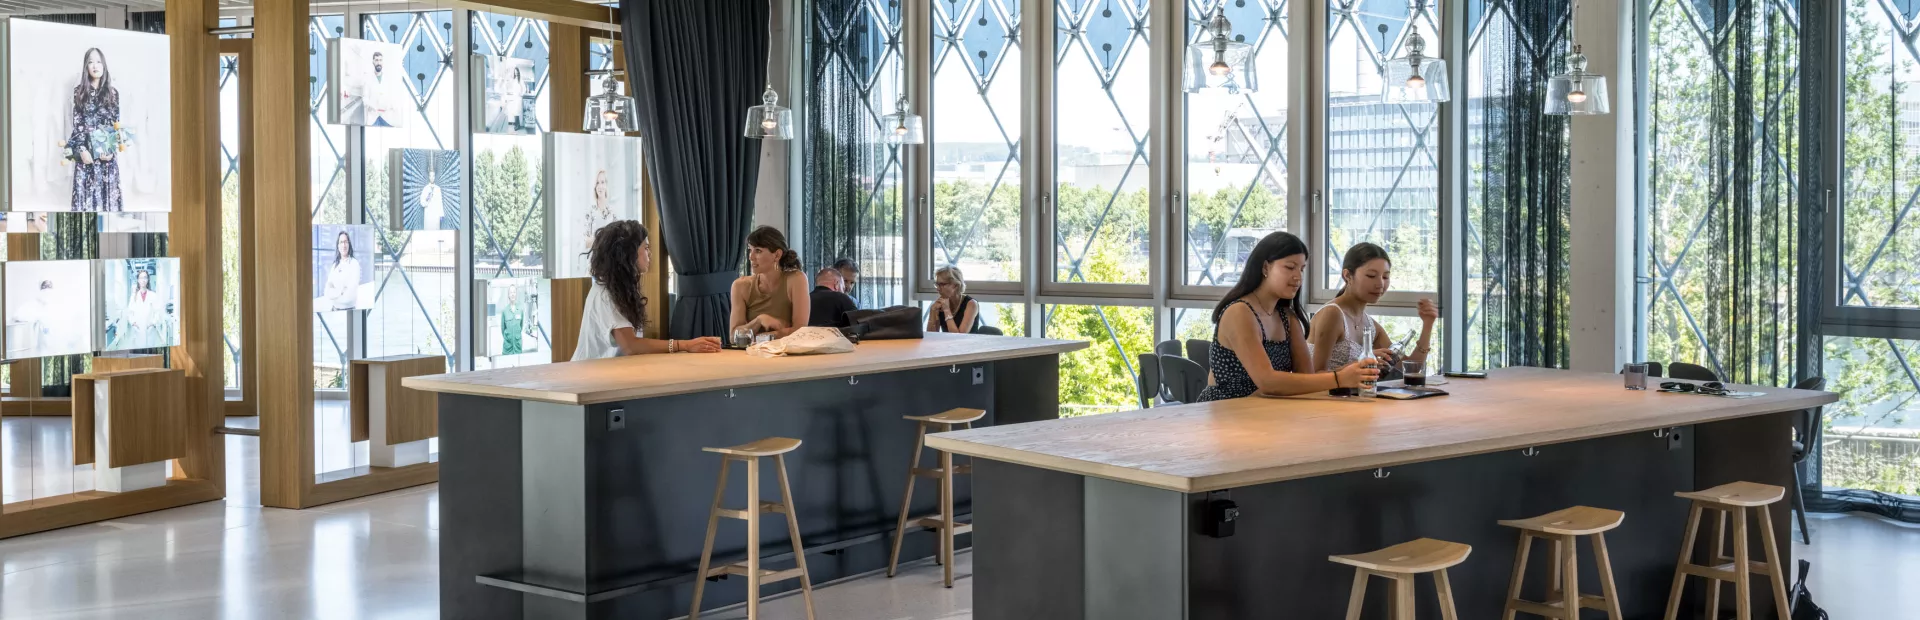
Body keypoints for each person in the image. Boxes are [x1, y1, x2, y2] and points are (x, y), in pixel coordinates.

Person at [1196, 231, 1378, 401]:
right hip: (1227, 411)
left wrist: (1351, 371)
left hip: (1268, 410)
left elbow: (1307, 377)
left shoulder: (1286, 316)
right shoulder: (1239, 312)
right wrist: (1339, 378)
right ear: (1266, 267)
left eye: (1302, 269)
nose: (1298, 277)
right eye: (1290, 267)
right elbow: (1268, 382)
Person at [574, 220, 720, 360]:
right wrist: (684, 345)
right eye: (646, 248)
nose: (649, 254)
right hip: (590, 376)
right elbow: (630, 346)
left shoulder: (620, 288)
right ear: (628, 254)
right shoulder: (605, 293)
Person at [1309, 242, 1440, 375]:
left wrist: (1428, 325)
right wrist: (1359, 364)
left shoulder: (1371, 326)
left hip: (1354, 395)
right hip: (1319, 395)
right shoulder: (1333, 314)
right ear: (1347, 275)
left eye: (1385, 277)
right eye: (1371, 276)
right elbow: (1314, 375)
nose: (1380, 284)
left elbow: (1409, 368)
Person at [730, 226, 811, 338]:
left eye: (758, 251)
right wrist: (759, 320)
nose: (751, 257)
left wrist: (762, 336)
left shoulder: (796, 279)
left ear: (777, 255)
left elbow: (800, 331)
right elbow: (733, 336)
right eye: (750, 250)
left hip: (788, 354)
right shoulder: (740, 286)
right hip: (751, 354)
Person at [69, 47, 123, 212]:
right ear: (86, 67)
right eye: (91, 62)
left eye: (99, 61)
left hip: (107, 159)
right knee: (84, 209)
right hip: (86, 157)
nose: (95, 66)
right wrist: (82, 150)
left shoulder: (113, 93)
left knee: (109, 212)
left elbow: (116, 126)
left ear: (104, 65)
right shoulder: (79, 92)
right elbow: (77, 125)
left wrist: (112, 151)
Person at [119, 264, 164, 348]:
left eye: (145, 277)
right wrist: (133, 323)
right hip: (138, 329)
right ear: (138, 280)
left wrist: (153, 323)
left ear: (147, 280)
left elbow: (158, 312)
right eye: (141, 278)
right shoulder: (134, 296)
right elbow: (129, 313)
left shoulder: (153, 295)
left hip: (149, 329)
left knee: (150, 352)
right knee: (139, 350)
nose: (143, 280)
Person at [926, 266, 980, 333]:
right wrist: (933, 312)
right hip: (947, 343)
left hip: (969, 343)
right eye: (937, 284)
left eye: (942, 284)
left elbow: (959, 337)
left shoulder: (971, 304)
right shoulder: (940, 304)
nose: (938, 288)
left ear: (955, 285)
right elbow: (932, 335)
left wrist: (946, 310)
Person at [323, 230, 362, 311]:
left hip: (349, 311)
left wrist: (335, 292)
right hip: (334, 310)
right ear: (338, 245)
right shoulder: (335, 266)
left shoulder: (354, 264)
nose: (343, 245)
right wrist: (341, 291)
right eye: (341, 242)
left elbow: (349, 296)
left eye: (345, 242)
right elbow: (327, 291)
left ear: (349, 244)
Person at [583, 170, 617, 254]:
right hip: (594, 260)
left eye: (602, 182)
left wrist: (596, 239)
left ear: (606, 185)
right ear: (595, 186)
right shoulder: (590, 211)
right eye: (597, 183)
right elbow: (586, 242)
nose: (600, 186)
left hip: (609, 260)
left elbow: (616, 239)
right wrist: (605, 239)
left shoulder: (612, 212)